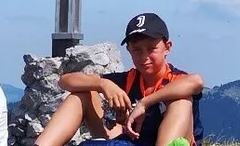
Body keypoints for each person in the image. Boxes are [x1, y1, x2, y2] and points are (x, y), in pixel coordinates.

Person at [36, 12, 204, 146]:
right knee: (82, 95)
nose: (145, 57)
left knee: (181, 101)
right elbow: (64, 81)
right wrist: (102, 84)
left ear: (167, 48)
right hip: (129, 140)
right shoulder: (129, 79)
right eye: (137, 50)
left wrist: (144, 103)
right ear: (129, 50)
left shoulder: (175, 78)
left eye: (152, 49)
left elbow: (196, 82)